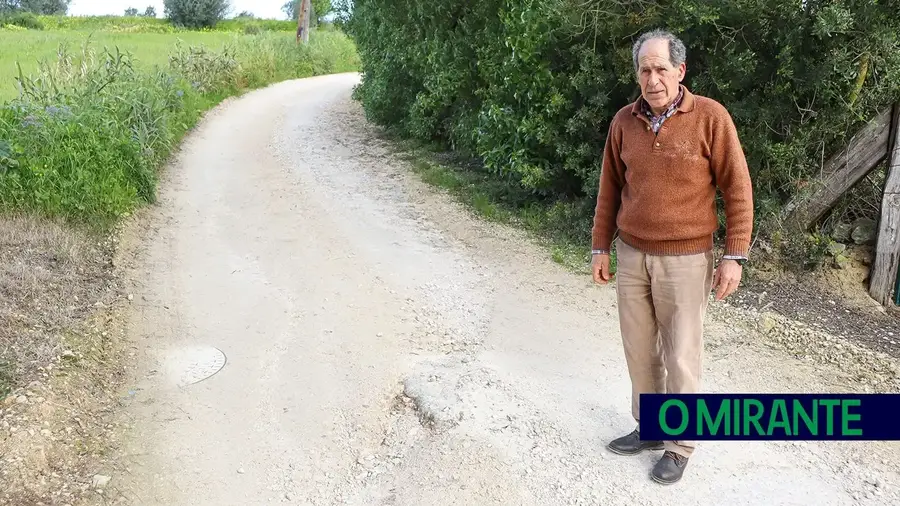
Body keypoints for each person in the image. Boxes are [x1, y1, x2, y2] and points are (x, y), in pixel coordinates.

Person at [590, 29, 754, 485]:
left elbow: (737, 188)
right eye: (645, 69)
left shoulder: (710, 118)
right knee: (640, 350)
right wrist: (600, 246)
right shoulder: (623, 122)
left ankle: (679, 446)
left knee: (681, 353)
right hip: (631, 254)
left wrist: (734, 254)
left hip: (686, 258)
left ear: (680, 71)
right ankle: (649, 428)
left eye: (661, 68)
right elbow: (610, 189)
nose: (653, 78)